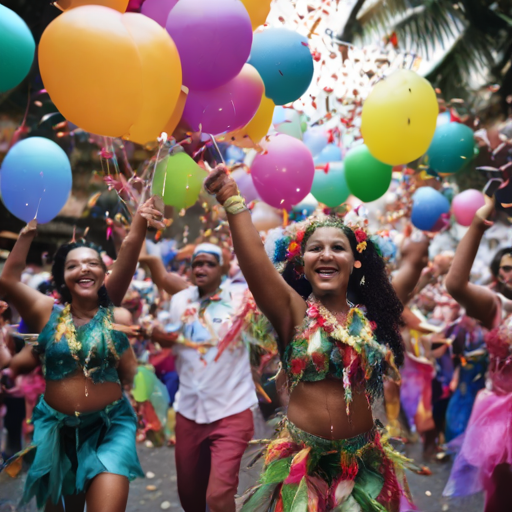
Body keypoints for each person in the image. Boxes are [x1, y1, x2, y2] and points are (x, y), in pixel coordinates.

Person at [205, 167, 415, 511]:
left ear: (355, 262)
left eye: (338, 247)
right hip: (303, 468)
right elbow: (255, 263)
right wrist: (231, 198)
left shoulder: (370, 318)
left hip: (364, 463)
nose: (327, 254)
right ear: (302, 265)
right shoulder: (293, 313)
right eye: (316, 248)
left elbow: (414, 266)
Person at [0, 197, 164, 512]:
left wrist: (139, 222)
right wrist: (26, 235)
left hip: (110, 427)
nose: (83, 268)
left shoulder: (109, 310)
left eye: (92, 263)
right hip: (57, 433)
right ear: (62, 277)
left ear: (104, 273)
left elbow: (128, 253)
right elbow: (8, 280)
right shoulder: (44, 311)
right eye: (73, 265)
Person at [139, 243, 258, 512]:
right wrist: (155, 334)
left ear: (224, 268)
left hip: (232, 410)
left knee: (218, 496)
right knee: (190, 497)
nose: (200, 268)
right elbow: (173, 336)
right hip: (189, 411)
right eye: (196, 264)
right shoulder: (181, 300)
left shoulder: (243, 299)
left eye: (209, 263)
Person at [443, 198, 512, 512]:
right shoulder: (497, 307)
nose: (511, 273)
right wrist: (476, 227)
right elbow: (456, 284)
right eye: (507, 268)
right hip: (502, 419)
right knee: (501, 495)